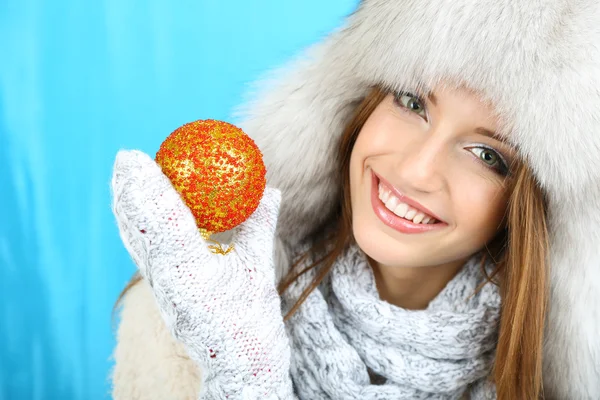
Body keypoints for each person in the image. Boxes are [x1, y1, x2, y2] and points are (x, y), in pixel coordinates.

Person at [110, 1, 600, 399]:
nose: (415, 170)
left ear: (532, 210)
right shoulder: (188, 328)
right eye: (411, 102)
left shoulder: (533, 384)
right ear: (359, 105)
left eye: (487, 155)